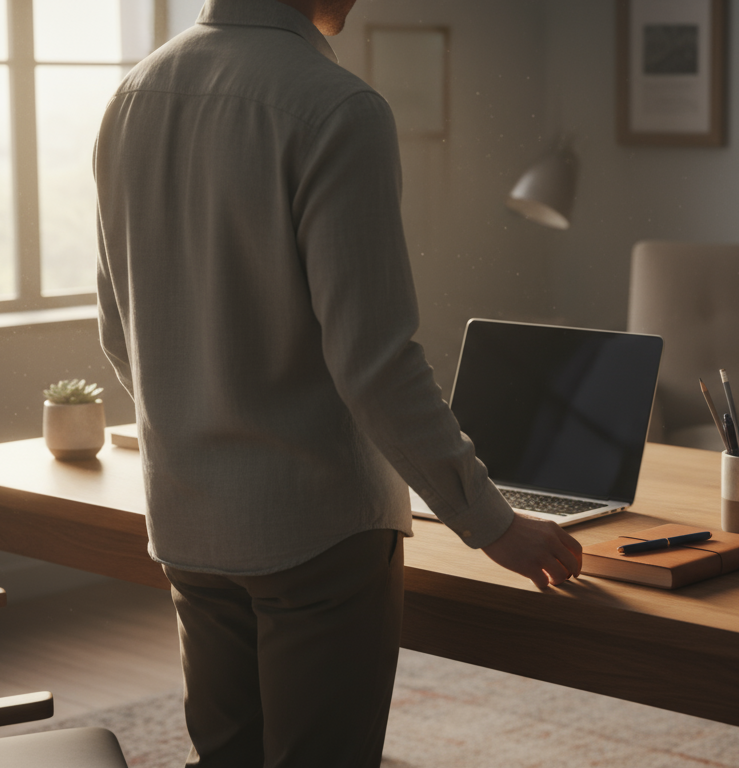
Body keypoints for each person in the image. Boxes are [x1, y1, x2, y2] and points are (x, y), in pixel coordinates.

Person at [93, 0, 583, 765]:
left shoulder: (133, 96)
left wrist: (194, 431)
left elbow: (120, 328)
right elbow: (377, 364)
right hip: (316, 528)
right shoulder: (338, 108)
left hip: (187, 516)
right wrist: (494, 523)